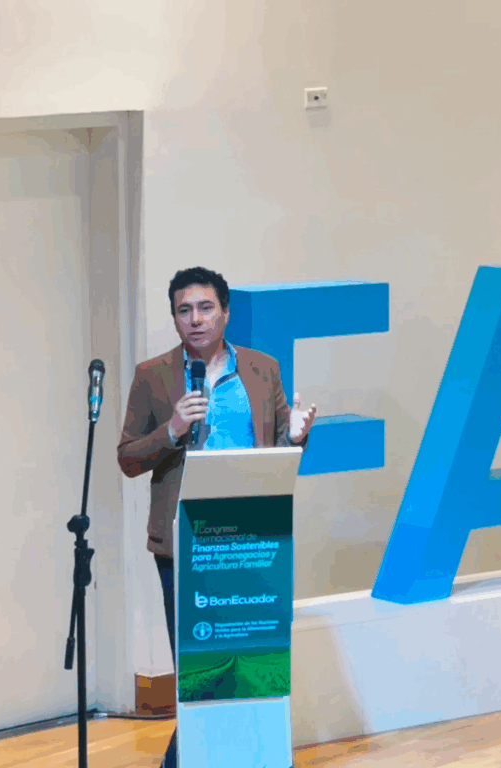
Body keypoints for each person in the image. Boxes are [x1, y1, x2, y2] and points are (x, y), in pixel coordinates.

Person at [116, 266, 316, 768]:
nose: (196, 319)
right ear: (174, 319)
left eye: (206, 308)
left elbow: (277, 451)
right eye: (184, 310)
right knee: (198, 670)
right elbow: (128, 458)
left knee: (252, 662)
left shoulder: (262, 369)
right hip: (185, 540)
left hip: (252, 537)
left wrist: (296, 436)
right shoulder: (152, 375)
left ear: (225, 313)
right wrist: (172, 429)